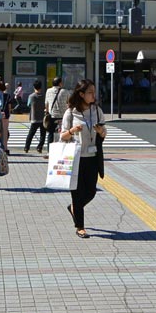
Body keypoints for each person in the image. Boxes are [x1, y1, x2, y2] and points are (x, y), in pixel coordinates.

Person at [59, 79, 106, 239]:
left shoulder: (97, 110)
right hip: (75, 157)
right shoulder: (71, 113)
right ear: (81, 94)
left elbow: (104, 133)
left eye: (94, 92)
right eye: (90, 92)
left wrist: (101, 131)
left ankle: (74, 208)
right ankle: (80, 226)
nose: (93, 95)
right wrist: (72, 130)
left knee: (91, 191)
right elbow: (62, 136)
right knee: (77, 193)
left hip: (92, 157)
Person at [24, 80, 46, 153]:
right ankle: (40, 147)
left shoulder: (31, 96)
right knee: (43, 134)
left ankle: (26, 147)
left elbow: (28, 105)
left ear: (34, 87)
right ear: (41, 87)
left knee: (31, 133)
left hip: (34, 117)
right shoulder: (44, 96)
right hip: (43, 117)